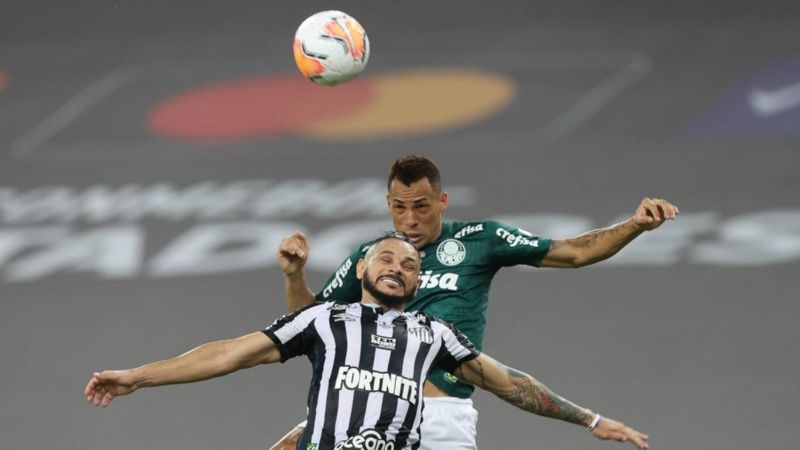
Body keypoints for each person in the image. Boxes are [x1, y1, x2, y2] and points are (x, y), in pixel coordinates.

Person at [85, 233, 649, 450]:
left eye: (410, 265)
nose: (398, 267)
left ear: (417, 283)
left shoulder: (433, 335)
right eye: (386, 258)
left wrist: (592, 420)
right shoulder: (324, 320)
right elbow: (228, 353)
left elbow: (511, 385)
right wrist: (137, 376)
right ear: (361, 269)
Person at [273, 154, 678, 449]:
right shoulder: (373, 257)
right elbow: (309, 323)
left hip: (438, 417)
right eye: (399, 208)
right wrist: (294, 275)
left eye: (421, 207)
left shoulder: (479, 240)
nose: (410, 220)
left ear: (442, 201)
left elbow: (573, 252)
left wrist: (634, 226)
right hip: (365, 406)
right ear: (388, 205)